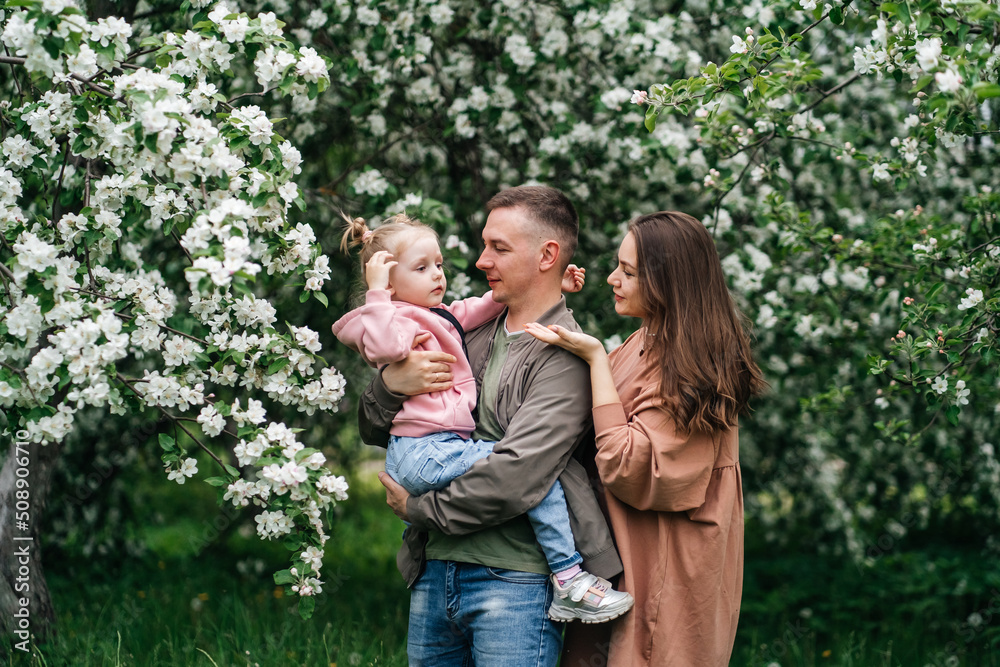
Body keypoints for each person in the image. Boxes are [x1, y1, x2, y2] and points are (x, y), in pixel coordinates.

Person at [356, 186, 626, 666]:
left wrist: (419, 509)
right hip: (434, 570)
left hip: (512, 582)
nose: (481, 260)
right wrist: (391, 386)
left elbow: (517, 476)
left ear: (548, 256)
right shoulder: (459, 326)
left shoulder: (564, 354)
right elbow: (375, 429)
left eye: (499, 248)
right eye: (485, 245)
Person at [525, 210, 766, 666]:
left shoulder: (692, 365)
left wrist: (596, 358)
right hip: (622, 560)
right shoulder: (643, 341)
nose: (613, 278)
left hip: (665, 568)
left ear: (669, 282)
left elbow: (626, 465)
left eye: (629, 272)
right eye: (618, 264)